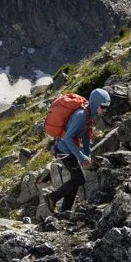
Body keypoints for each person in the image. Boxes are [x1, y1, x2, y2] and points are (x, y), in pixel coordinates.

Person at [49, 87, 116, 215]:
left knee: (76, 179)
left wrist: (87, 153)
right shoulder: (81, 115)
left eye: (106, 107)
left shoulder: (89, 113)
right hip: (65, 150)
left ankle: (65, 211)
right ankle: (52, 197)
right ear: (96, 103)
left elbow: (85, 134)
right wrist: (81, 156)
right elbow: (68, 137)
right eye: (103, 107)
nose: (105, 110)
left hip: (70, 149)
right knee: (79, 179)